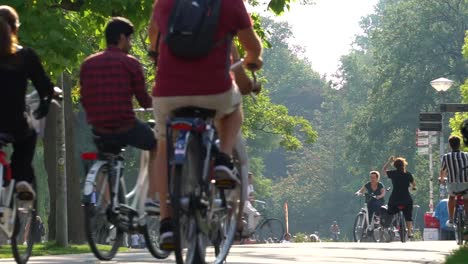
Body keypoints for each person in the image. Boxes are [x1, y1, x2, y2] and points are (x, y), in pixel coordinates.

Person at [148, 0, 263, 249]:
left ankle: (167, 223)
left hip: (169, 92)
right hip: (214, 90)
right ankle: (222, 159)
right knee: (233, 111)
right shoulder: (230, 3)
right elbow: (252, 47)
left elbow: (152, 35)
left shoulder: (165, 3)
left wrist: (155, 55)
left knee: (162, 143)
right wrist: (253, 61)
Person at [79, 17, 157, 212]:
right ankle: (152, 195)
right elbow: (144, 101)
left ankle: (107, 205)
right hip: (125, 126)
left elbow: (84, 98)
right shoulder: (130, 64)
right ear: (121, 37)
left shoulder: (88, 64)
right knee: (156, 143)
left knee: (105, 155)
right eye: (129, 39)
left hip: (99, 127)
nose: (130, 44)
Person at [0, 5, 54, 200]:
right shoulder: (25, 56)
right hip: (14, 122)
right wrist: (46, 103)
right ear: (15, 28)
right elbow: (44, 87)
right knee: (28, 136)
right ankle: (21, 178)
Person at [438, 135, 468, 231]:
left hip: (453, 184)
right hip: (466, 182)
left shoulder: (446, 157)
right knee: (466, 199)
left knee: (451, 197)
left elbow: (442, 170)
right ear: (459, 145)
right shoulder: (466, 155)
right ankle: (467, 218)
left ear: (450, 145)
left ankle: (451, 219)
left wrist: (442, 180)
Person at [382, 156, 416, 238]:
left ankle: (391, 225)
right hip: (406, 198)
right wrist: (413, 188)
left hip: (395, 198)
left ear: (395, 166)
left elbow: (383, 171)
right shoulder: (408, 174)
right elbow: (413, 184)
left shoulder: (393, 173)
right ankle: (410, 232)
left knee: (390, 211)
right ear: (404, 165)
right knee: (408, 216)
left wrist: (389, 162)